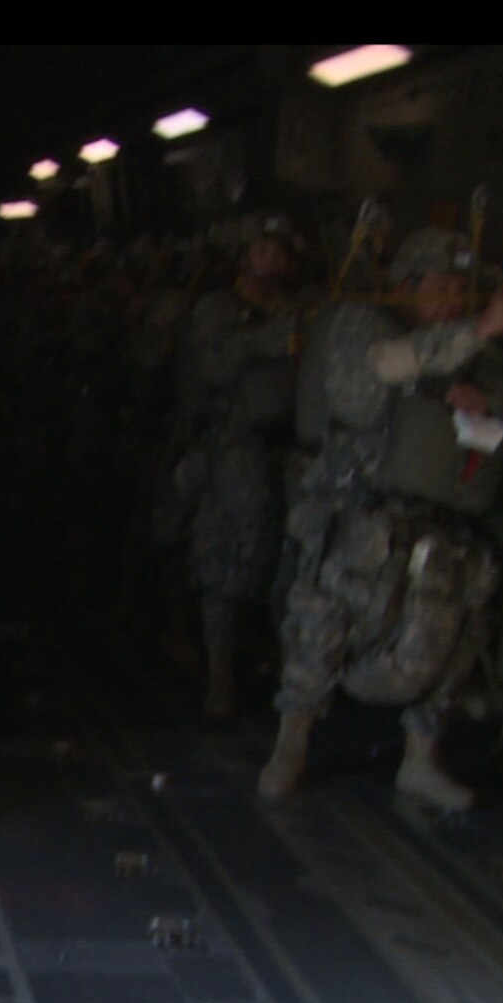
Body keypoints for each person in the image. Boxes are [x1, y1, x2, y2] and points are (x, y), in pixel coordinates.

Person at [259, 229, 503, 810]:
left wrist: (489, 402)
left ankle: (420, 760)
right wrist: (475, 332)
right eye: (442, 287)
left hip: (447, 524)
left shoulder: (481, 353)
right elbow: (383, 369)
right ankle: (292, 742)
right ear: (406, 287)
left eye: (463, 290)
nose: (454, 300)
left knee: (452, 639)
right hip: (363, 512)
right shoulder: (366, 324)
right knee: (322, 625)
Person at [173, 217, 308, 718]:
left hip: (288, 448)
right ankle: (220, 677)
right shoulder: (218, 309)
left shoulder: (300, 310)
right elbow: (215, 368)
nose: (273, 261)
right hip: (234, 448)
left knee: (291, 563)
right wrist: (269, 339)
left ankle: (286, 667)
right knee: (226, 561)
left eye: (281, 252)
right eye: (263, 251)